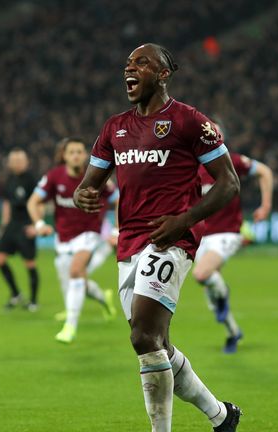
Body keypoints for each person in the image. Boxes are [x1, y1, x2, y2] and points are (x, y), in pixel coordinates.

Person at [74, 43, 242, 432]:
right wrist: (83, 194)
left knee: (142, 336)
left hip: (171, 241)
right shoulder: (114, 127)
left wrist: (185, 221)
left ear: (164, 74)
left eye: (141, 63)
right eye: (128, 64)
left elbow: (229, 184)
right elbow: (88, 184)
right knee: (157, 346)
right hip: (128, 244)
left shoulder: (189, 122)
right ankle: (222, 415)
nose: (129, 69)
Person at [27, 137, 119, 343]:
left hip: (90, 233)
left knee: (76, 271)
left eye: (79, 151)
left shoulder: (97, 176)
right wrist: (39, 224)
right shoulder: (54, 176)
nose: (76, 155)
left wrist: (116, 230)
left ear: (85, 155)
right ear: (64, 156)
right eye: (72, 152)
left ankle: (70, 325)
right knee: (77, 280)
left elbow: (118, 200)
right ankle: (105, 300)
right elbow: (33, 202)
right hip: (64, 238)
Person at [194, 151, 273, 353]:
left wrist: (266, 205)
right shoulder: (189, 166)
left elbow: (264, 172)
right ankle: (233, 333)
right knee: (211, 293)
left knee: (201, 274)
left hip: (227, 233)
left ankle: (224, 295)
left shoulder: (231, 160)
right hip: (201, 237)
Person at [0, 149, 40, 310]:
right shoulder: (9, 179)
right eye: (14, 160)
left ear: (26, 161)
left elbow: (39, 202)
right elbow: (7, 203)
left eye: (20, 160)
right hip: (12, 224)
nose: (17, 163)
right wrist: (3, 225)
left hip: (26, 224)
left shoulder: (31, 179)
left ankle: (34, 301)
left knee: (29, 263)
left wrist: (36, 225)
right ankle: (16, 294)